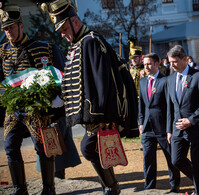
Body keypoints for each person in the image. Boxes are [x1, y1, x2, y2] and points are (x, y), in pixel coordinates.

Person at [38, 0, 139, 194]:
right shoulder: (79, 44)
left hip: (101, 115)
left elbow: (104, 82)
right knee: (91, 148)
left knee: (88, 147)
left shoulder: (91, 41)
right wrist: (59, 101)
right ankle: (110, 186)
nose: (62, 34)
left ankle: (111, 187)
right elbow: (74, 82)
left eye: (65, 28)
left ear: (75, 22)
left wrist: (106, 117)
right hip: (94, 115)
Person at [0, 3, 66, 194]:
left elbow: (55, 76)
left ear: (21, 25)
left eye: (11, 27)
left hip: (35, 109)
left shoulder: (42, 49)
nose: (8, 31)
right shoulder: (2, 51)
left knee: (43, 147)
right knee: (10, 146)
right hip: (13, 109)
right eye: (5, 28)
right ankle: (20, 188)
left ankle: (49, 188)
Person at [166, 45, 199, 195]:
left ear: (184, 59)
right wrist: (169, 130)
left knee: (198, 164)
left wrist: (191, 120)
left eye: (175, 61)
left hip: (196, 128)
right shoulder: (170, 78)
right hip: (177, 129)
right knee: (176, 160)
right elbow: (170, 107)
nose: (171, 65)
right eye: (170, 61)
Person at [138, 53, 180, 192]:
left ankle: (174, 185)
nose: (146, 67)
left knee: (170, 158)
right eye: (144, 65)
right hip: (147, 128)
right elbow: (142, 104)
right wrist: (140, 122)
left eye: (149, 64)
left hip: (162, 127)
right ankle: (149, 186)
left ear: (157, 64)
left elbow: (170, 106)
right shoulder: (142, 81)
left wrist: (170, 129)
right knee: (148, 158)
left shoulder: (165, 80)